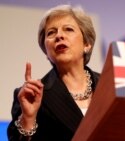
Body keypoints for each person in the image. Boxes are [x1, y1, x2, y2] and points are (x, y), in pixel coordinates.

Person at [7, 4, 100, 141]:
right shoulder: (31, 96)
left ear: (86, 44)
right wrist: (28, 119)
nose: (59, 36)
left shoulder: (110, 86)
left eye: (68, 29)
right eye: (51, 32)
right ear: (46, 52)